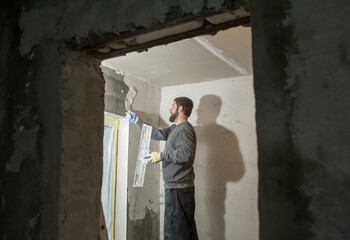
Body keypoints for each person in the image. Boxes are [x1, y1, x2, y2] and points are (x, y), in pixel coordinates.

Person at [129, 96, 198, 240]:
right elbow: (159, 133)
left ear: (180, 109)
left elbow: (185, 153)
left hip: (178, 190)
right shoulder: (175, 128)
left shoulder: (184, 130)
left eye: (172, 106)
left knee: (175, 232)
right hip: (181, 188)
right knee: (185, 230)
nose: (170, 109)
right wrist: (137, 121)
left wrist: (161, 156)